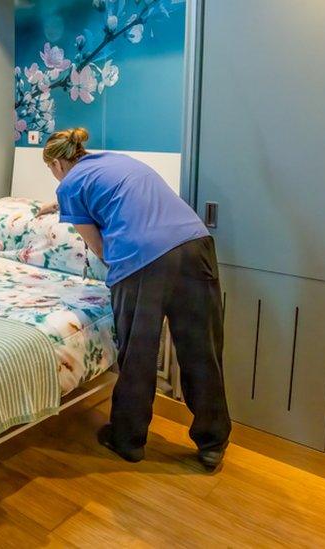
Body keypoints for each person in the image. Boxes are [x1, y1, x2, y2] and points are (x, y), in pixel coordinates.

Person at [39, 128, 231, 470]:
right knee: (202, 350)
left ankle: (127, 440)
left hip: (144, 260)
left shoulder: (69, 185)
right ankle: (212, 443)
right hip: (196, 245)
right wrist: (58, 205)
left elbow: (99, 248)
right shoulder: (116, 161)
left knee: (138, 353)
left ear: (55, 163)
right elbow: (110, 195)